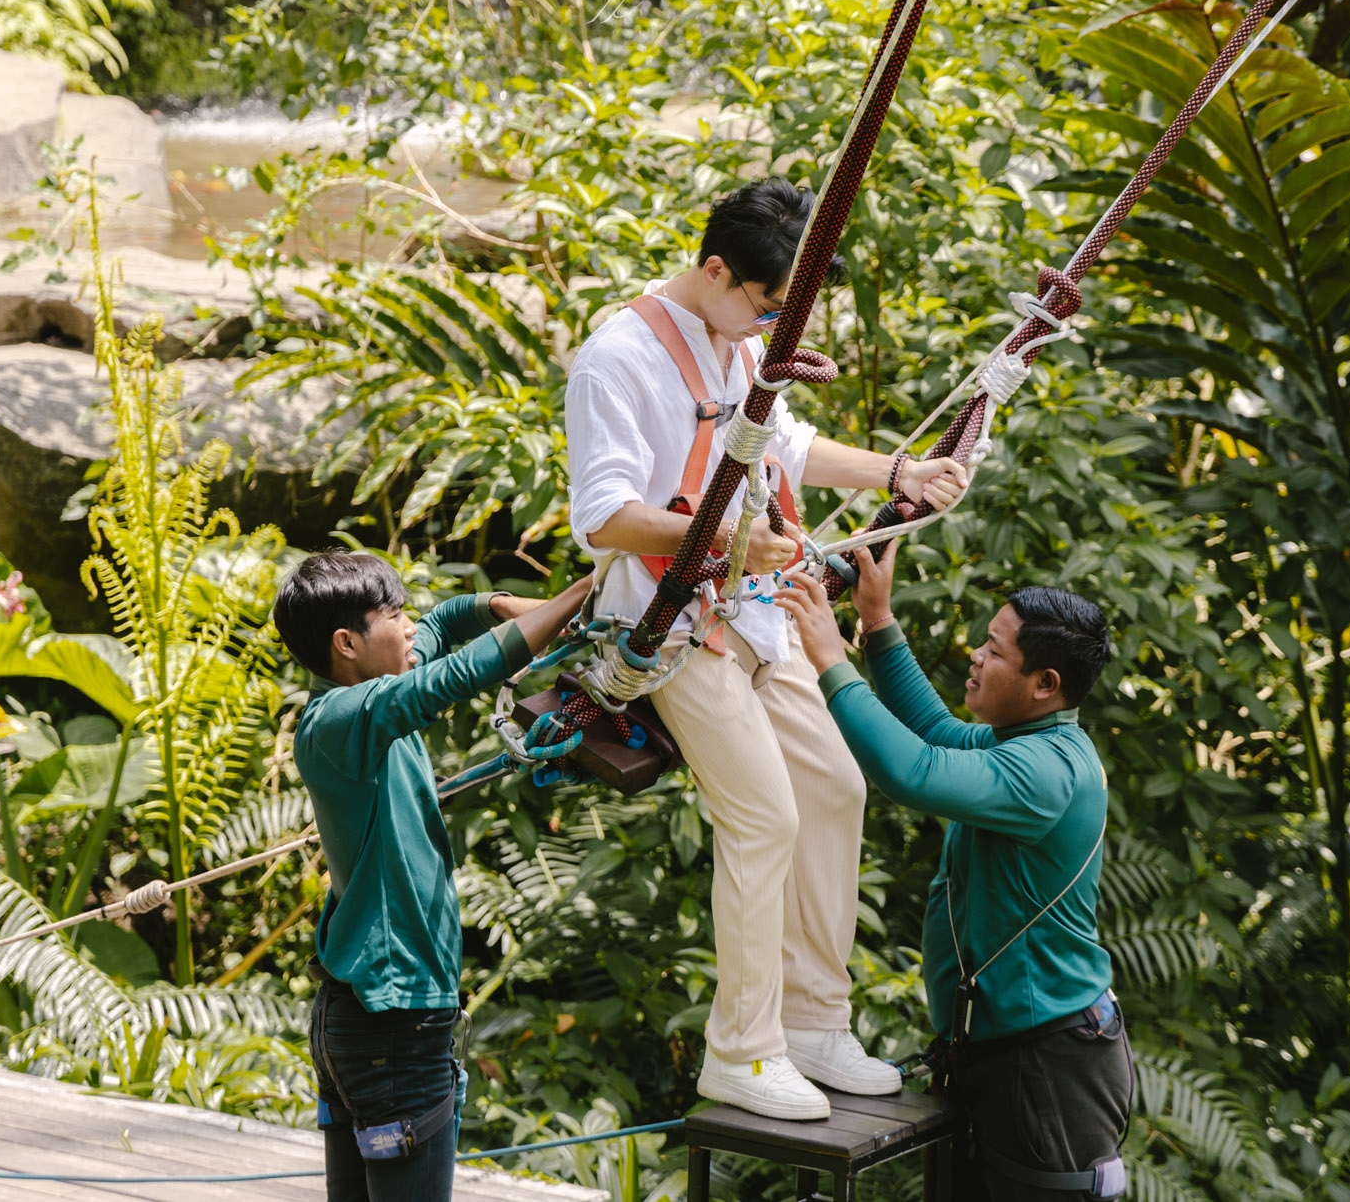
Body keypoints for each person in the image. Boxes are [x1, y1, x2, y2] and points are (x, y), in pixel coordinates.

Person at [563, 177, 970, 1120]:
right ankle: (741, 1051)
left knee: (835, 785)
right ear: (715, 269)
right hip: (668, 629)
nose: (772, 326)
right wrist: (730, 543)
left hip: (755, 612)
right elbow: (604, 517)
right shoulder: (616, 359)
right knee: (764, 816)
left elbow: (786, 446)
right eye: (768, 305)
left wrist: (901, 471)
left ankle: (816, 1021)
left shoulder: (733, 342)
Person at [774, 544, 1134, 1201]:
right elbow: (934, 732)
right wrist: (877, 621)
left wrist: (830, 658)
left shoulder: (1048, 771)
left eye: (996, 651)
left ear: (1044, 684)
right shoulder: (1019, 742)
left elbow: (914, 772)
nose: (976, 653)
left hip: (1047, 1065)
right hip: (1005, 1054)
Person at [273, 552, 595, 1202]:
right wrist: (580, 596)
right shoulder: (343, 719)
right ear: (347, 643)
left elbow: (443, 625)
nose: (409, 624)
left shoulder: (362, 692)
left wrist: (496, 605)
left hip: (362, 1019)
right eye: (392, 614)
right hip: (392, 1029)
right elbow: (447, 678)